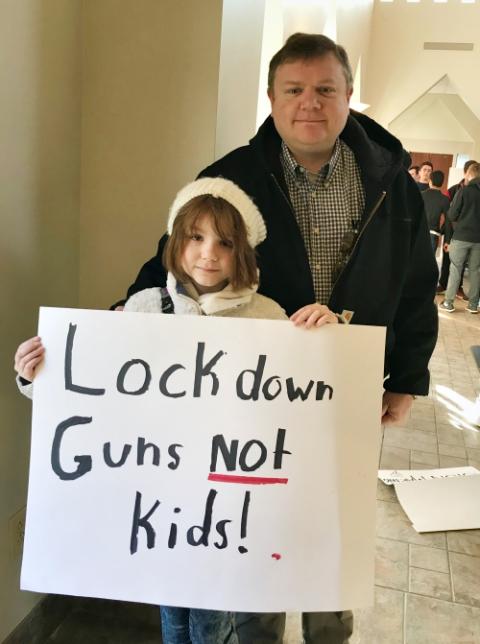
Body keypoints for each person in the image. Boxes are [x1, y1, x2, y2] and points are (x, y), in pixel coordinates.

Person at [112, 32, 438, 644]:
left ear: (348, 96)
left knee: (330, 527)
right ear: (271, 96)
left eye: (324, 89)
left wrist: (409, 378)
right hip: (256, 400)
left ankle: (327, 634)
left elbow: (418, 284)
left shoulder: (392, 180)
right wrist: (105, 338)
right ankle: (259, 633)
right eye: (294, 90)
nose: (309, 103)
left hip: (350, 389)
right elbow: (174, 263)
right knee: (262, 526)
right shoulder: (231, 175)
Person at [14, 176, 339, 644]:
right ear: (176, 240)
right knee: (174, 615)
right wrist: (35, 375)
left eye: (224, 242)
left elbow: (307, 398)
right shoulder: (143, 308)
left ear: (242, 250)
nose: (209, 253)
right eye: (196, 237)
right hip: (160, 503)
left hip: (229, 507)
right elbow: (91, 393)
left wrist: (327, 338)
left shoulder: (268, 317)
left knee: (215, 620)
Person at [440, 162, 480, 314]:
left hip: (461, 236)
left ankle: (448, 303)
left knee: (456, 269)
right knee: (476, 271)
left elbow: (451, 214)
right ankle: (473, 305)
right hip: (479, 239)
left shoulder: (464, 191)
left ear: (469, 174)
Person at [421, 170, 450, 254]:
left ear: (430, 181)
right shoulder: (445, 199)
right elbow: (448, 221)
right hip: (433, 235)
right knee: (428, 264)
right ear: (442, 183)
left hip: (419, 233)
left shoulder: (421, 195)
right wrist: (447, 240)